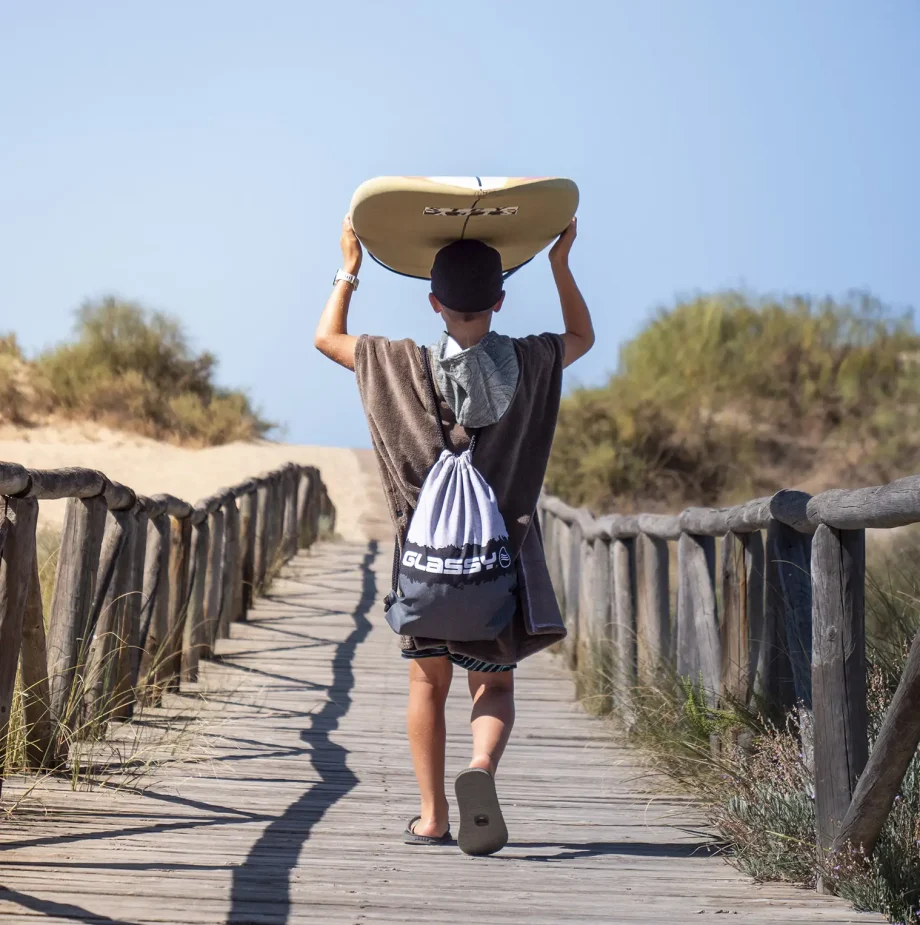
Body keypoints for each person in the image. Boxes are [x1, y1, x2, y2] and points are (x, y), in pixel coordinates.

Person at [315, 214, 594, 855]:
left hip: (427, 564)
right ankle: (482, 769)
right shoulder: (532, 362)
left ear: (434, 302)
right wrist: (559, 262)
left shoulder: (395, 367)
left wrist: (349, 263)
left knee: (426, 683)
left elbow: (326, 337)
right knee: (492, 684)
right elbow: (582, 333)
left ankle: (434, 816)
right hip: (502, 562)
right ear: (499, 300)